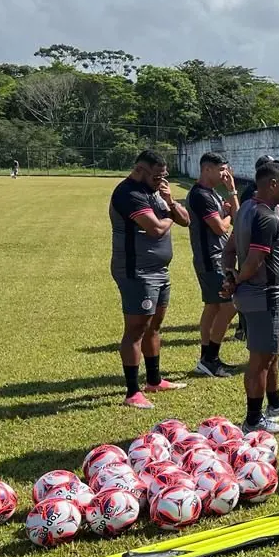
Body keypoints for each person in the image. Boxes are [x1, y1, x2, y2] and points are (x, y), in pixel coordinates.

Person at [221, 161, 279, 434]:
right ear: (272, 185)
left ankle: (275, 403)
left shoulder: (247, 208)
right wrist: (237, 279)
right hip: (264, 296)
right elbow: (255, 261)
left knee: (272, 352)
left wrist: (229, 275)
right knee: (261, 359)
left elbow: (230, 248)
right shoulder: (267, 218)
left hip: (259, 294)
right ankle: (254, 419)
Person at [108, 150, 190, 409]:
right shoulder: (127, 193)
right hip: (137, 271)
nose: (161, 181)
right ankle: (132, 392)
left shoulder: (155, 192)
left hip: (159, 270)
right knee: (136, 329)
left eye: (163, 176)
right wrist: (168, 217)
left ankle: (154, 380)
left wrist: (170, 201)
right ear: (140, 170)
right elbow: (155, 229)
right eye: (156, 177)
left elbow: (185, 220)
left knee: (154, 326)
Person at [187, 151, 239, 378]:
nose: (225, 174)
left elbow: (236, 216)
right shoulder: (201, 195)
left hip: (216, 258)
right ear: (206, 169)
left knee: (213, 307)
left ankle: (205, 359)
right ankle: (210, 358)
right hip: (211, 259)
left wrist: (232, 192)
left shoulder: (213, 194)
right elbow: (221, 227)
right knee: (230, 305)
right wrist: (226, 216)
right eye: (221, 170)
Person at [234, 154, 279, 341]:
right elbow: (254, 257)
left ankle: (246, 327)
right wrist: (237, 278)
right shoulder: (257, 205)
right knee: (264, 354)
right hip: (262, 284)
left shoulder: (266, 204)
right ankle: (242, 328)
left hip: (258, 273)